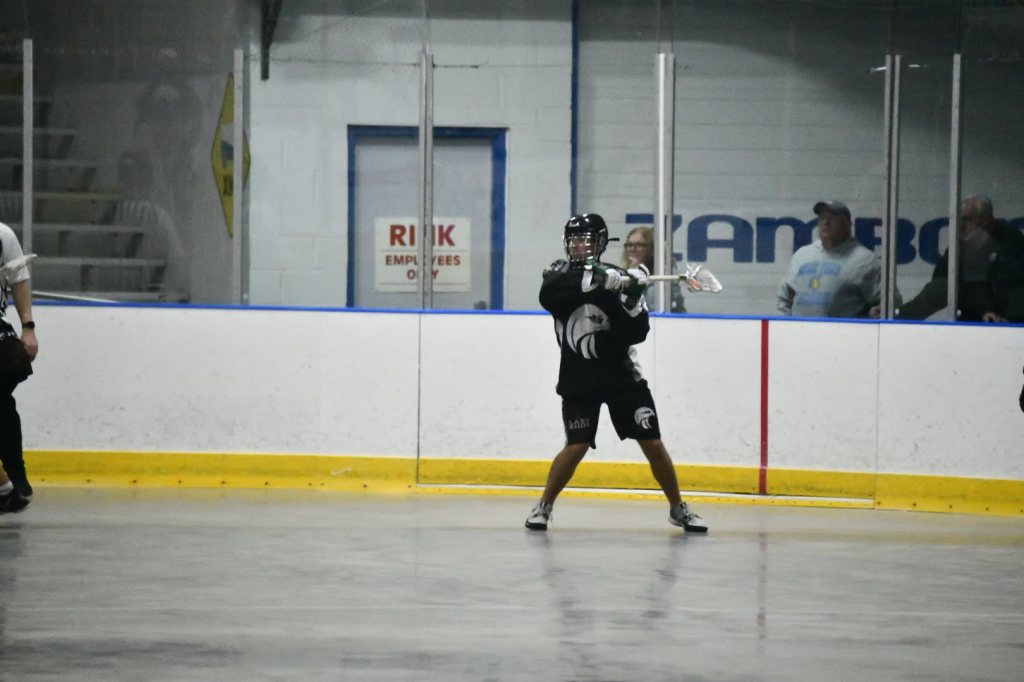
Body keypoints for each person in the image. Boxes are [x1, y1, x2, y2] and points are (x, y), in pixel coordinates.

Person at [524, 213, 707, 533]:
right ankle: (544, 505)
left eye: (586, 240)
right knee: (576, 445)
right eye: (574, 240)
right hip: (579, 377)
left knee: (652, 443)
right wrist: (597, 281)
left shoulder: (620, 278)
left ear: (600, 244)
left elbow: (637, 332)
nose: (579, 246)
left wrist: (632, 297)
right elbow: (550, 293)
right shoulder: (559, 272)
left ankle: (678, 507)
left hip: (622, 377)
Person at [776, 200, 889, 318]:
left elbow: (890, 304)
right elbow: (784, 298)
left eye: (832, 218)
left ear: (847, 225)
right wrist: (786, 325)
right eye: (822, 218)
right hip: (800, 330)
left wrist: (871, 321)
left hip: (844, 330)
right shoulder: (801, 255)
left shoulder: (865, 260)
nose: (826, 222)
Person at [0, 221, 37, 514]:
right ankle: (9, 486)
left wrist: (28, 327)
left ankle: (12, 483)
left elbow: (19, 279)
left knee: (2, 405)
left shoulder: (2, 235)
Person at [621, 226, 686, 313]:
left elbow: (662, 306)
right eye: (629, 245)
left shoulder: (666, 272)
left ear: (652, 248)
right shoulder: (623, 273)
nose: (633, 249)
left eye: (639, 245)